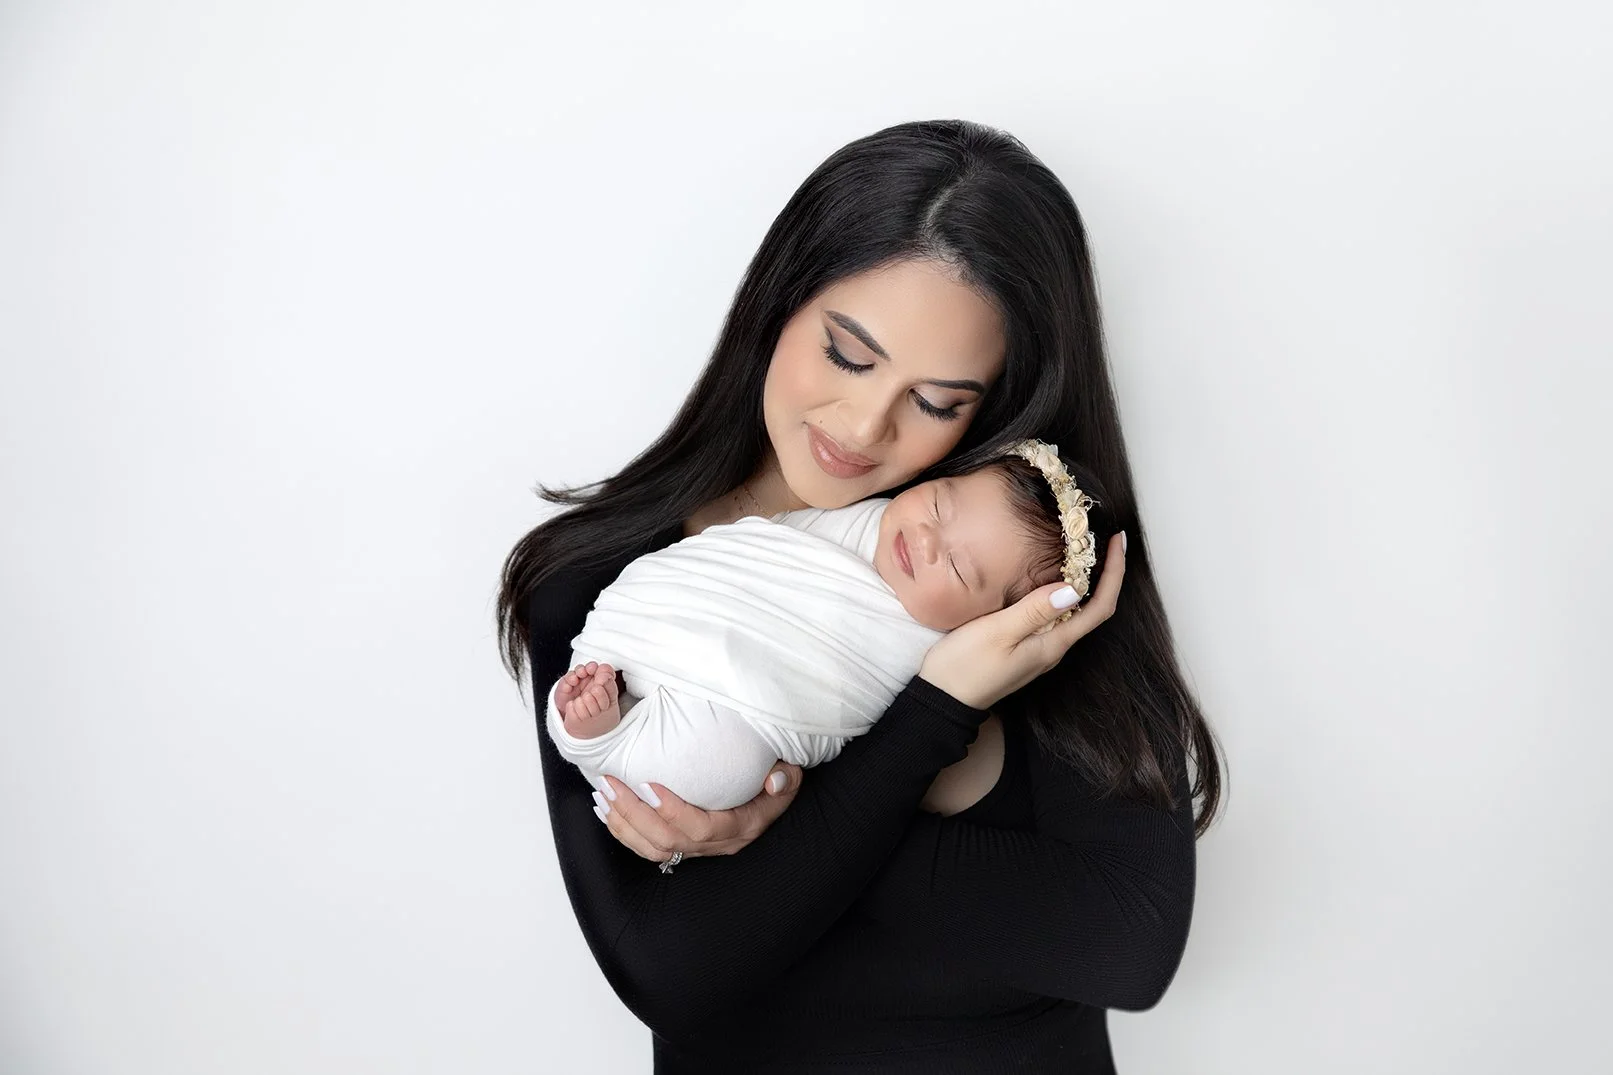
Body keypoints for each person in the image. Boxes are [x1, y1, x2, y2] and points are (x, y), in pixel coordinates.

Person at [497, 119, 1225, 1072]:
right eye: (847, 353)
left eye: (936, 402)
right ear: (778, 304)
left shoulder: (1024, 577)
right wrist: (909, 746)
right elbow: (671, 971)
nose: (862, 425)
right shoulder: (612, 585)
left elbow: (1127, 946)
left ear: (997, 407)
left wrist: (816, 800)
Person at [547, 444, 1114, 813]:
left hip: (734, 714)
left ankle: (602, 739)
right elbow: (759, 553)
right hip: (670, 622)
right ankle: (591, 724)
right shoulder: (862, 508)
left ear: (995, 619)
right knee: (619, 624)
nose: (925, 540)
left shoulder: (948, 649)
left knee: (726, 771)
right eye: (940, 505)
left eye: (960, 569)